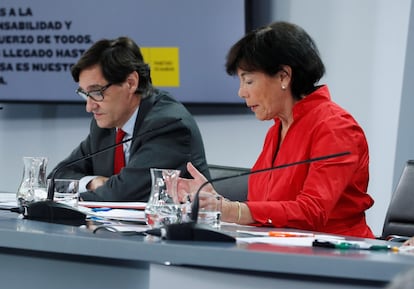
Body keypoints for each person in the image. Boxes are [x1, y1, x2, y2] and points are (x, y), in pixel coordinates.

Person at [178, 21, 375, 238]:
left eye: (249, 81)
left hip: (336, 258)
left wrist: (233, 210)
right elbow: (265, 209)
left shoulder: (335, 127)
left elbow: (312, 212)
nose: (241, 92)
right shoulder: (277, 129)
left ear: (283, 76)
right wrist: (219, 204)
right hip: (277, 252)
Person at [49, 36, 210, 201]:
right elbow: (56, 177)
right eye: (85, 94)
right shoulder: (105, 125)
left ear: (131, 83)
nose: (89, 107)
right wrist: (92, 182)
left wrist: (83, 193)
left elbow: (121, 194)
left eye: (97, 92)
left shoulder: (169, 125)